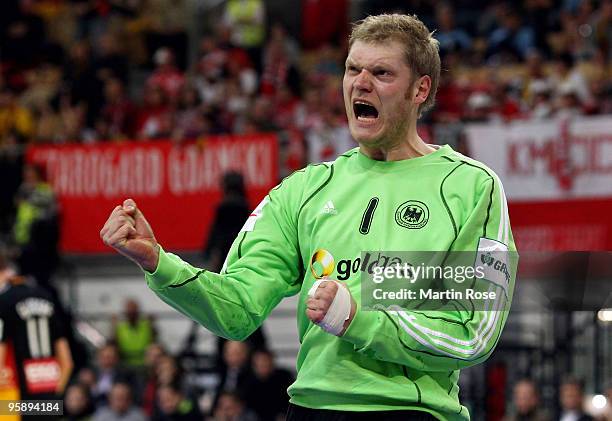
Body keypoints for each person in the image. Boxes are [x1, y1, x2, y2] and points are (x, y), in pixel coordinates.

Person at [101, 13, 516, 420]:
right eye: (353, 69)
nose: (361, 83)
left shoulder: (470, 187)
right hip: (311, 410)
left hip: (412, 410)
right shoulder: (304, 189)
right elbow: (236, 310)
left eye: (382, 73)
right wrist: (157, 261)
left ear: (420, 89)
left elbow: (472, 335)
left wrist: (359, 320)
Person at [0, 247, 73, 419]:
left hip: (19, 399)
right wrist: (54, 398)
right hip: (50, 393)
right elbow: (67, 363)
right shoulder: (46, 297)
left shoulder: (4, 301)